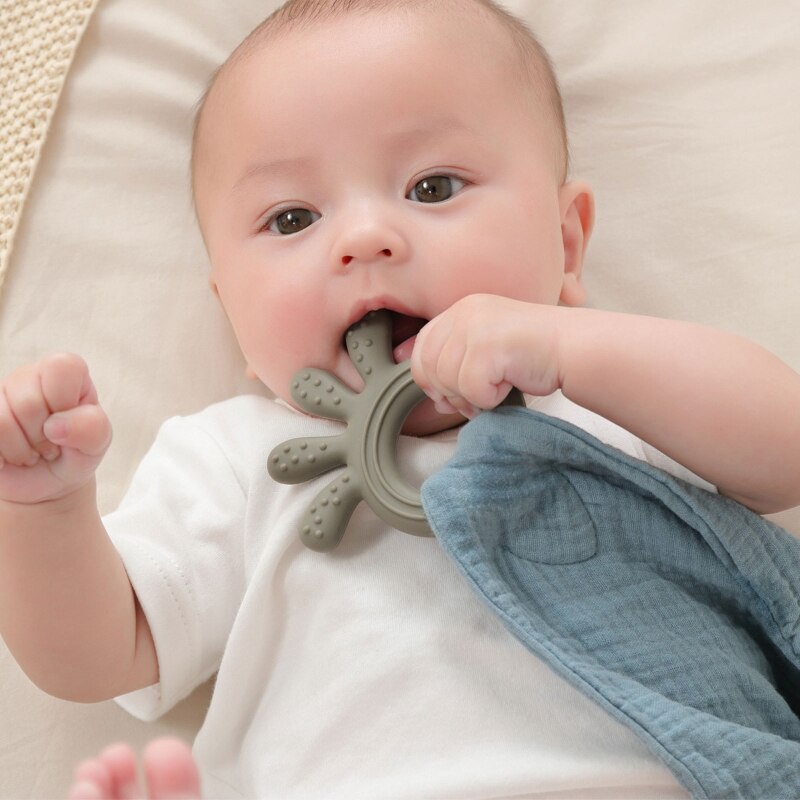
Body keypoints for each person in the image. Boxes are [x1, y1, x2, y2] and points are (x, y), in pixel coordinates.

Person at [1, 0, 799, 797]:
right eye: (292, 218)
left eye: (433, 186)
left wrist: (569, 348)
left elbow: (785, 451)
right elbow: (100, 654)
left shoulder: (612, 392)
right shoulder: (237, 459)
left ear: (564, 244)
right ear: (233, 315)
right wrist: (46, 511)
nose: (365, 239)